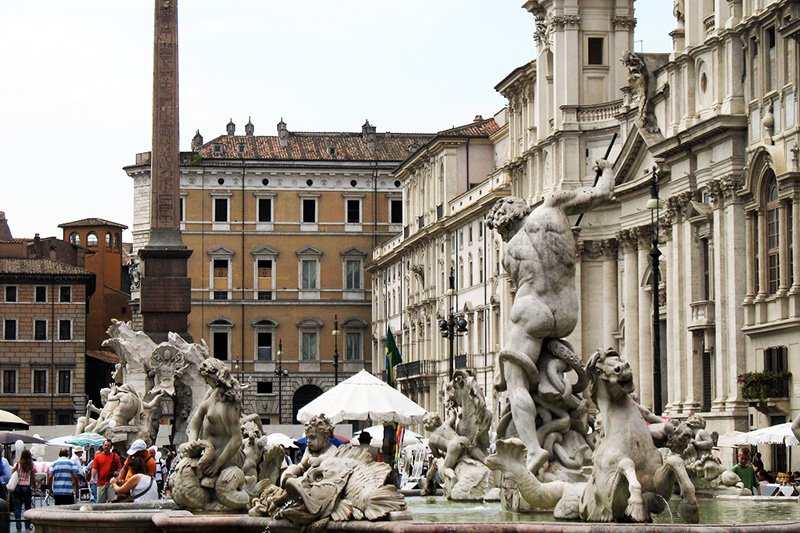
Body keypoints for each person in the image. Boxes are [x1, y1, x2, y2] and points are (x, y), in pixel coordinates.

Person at [486, 159, 615, 473]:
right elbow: (603, 193)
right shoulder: (552, 206)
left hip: (532, 312)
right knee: (545, 364)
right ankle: (566, 415)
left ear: (503, 226)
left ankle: (533, 450)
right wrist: (606, 170)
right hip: (567, 312)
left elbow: (524, 283)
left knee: (515, 382)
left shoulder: (508, 252)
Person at [11, 449, 37, 532]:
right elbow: (33, 477)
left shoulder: (17, 464)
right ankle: (27, 526)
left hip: (18, 487)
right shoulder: (30, 465)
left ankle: (18, 527)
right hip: (26, 487)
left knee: (17, 508)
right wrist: (34, 487)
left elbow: (12, 474)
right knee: (28, 508)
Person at [91, 439, 122, 504]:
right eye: (105, 445)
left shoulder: (115, 457)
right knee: (100, 502)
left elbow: (120, 468)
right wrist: (92, 477)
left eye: (108, 445)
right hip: (101, 483)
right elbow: (94, 468)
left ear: (111, 447)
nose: (106, 447)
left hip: (112, 483)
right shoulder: (98, 457)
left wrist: (118, 475)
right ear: (102, 446)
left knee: (113, 501)